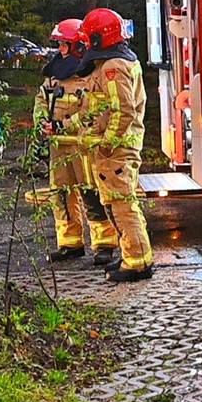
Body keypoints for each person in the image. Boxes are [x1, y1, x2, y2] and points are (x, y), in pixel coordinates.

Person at [62, 8, 154, 282]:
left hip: (117, 151)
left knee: (122, 205)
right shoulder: (112, 64)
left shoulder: (113, 67)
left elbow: (123, 110)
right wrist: (66, 127)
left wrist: (108, 143)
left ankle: (137, 263)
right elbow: (97, 107)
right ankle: (133, 255)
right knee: (117, 204)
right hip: (115, 150)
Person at [39, 19, 118, 265]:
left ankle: (104, 244)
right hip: (58, 144)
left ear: (78, 47)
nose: (60, 50)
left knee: (91, 193)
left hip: (83, 144)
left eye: (64, 45)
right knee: (60, 195)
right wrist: (42, 123)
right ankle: (69, 243)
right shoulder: (53, 75)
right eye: (59, 45)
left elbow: (90, 111)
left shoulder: (90, 75)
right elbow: (41, 102)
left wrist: (63, 125)